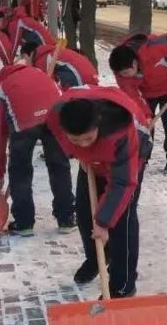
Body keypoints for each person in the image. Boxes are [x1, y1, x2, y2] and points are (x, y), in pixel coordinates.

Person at [46, 87, 152, 298]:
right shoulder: (56, 117)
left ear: (98, 125)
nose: (83, 143)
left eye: (88, 138)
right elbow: (63, 140)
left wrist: (104, 222)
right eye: (76, 140)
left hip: (130, 159)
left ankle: (123, 284)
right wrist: (80, 153)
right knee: (86, 214)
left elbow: (122, 182)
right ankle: (98, 260)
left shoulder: (121, 131)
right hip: (92, 162)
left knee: (121, 220)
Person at [0, 63, 75, 235]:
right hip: (55, 116)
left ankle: (24, 222)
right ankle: (66, 219)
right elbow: (60, 98)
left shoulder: (2, 88)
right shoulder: (40, 73)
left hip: (24, 122)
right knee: (59, 166)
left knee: (20, 169)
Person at [109, 32, 167, 173]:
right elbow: (133, 96)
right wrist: (146, 115)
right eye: (122, 74)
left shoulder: (153, 47)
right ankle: (143, 156)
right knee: (144, 124)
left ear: (134, 63)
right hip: (146, 92)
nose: (125, 76)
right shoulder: (121, 73)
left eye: (127, 73)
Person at [22, 40, 100, 89]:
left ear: (29, 54)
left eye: (25, 58)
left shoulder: (43, 59)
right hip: (91, 76)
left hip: (81, 79)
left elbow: (47, 84)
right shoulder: (50, 52)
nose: (25, 63)